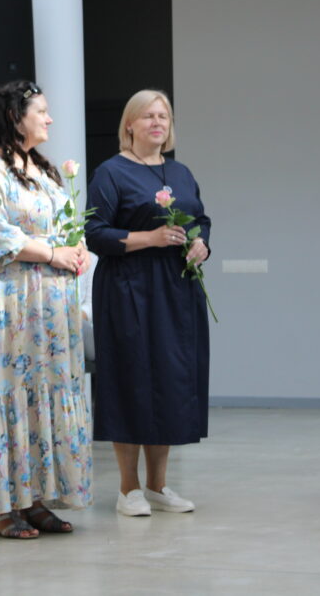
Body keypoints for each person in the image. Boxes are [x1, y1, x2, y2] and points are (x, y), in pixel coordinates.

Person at [0, 80, 93, 539]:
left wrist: (77, 248)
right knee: (9, 390)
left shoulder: (43, 169)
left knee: (42, 394)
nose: (50, 118)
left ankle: (34, 498)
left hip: (49, 307)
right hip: (8, 304)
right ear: (16, 117)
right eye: (42, 111)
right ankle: (4, 505)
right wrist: (53, 254)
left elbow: (66, 223)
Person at [85, 89, 210, 517]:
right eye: (148, 116)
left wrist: (201, 244)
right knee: (132, 379)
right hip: (129, 290)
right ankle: (128, 489)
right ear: (130, 125)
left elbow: (201, 219)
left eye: (164, 116)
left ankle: (158, 485)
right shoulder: (111, 172)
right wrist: (150, 238)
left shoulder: (181, 172)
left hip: (177, 290)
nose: (157, 122)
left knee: (171, 381)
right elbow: (95, 234)